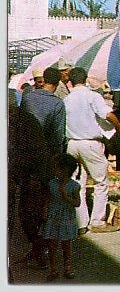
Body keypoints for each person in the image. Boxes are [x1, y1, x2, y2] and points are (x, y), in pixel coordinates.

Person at [64, 67, 120, 233]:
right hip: (90, 144)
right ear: (86, 79)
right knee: (100, 182)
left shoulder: (67, 99)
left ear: (70, 81)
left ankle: (80, 223)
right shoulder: (92, 96)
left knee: (78, 183)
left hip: (72, 144)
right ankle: (97, 221)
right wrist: (118, 126)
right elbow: (107, 114)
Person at [8, 91, 52, 270]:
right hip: (12, 176)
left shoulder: (27, 121)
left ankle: (38, 251)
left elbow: (39, 152)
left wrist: (36, 177)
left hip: (30, 175)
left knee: (29, 217)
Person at [42, 153, 81, 282]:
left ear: (65, 170)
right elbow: (48, 198)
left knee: (66, 244)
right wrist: (45, 210)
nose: (54, 171)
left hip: (66, 217)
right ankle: (53, 269)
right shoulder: (51, 183)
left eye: (56, 168)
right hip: (54, 217)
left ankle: (67, 268)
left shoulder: (74, 186)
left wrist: (66, 198)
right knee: (52, 244)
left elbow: (77, 203)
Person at [21, 67, 67, 156]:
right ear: (57, 83)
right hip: (45, 150)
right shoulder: (57, 103)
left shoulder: (27, 97)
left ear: (44, 79)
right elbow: (58, 134)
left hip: (25, 147)